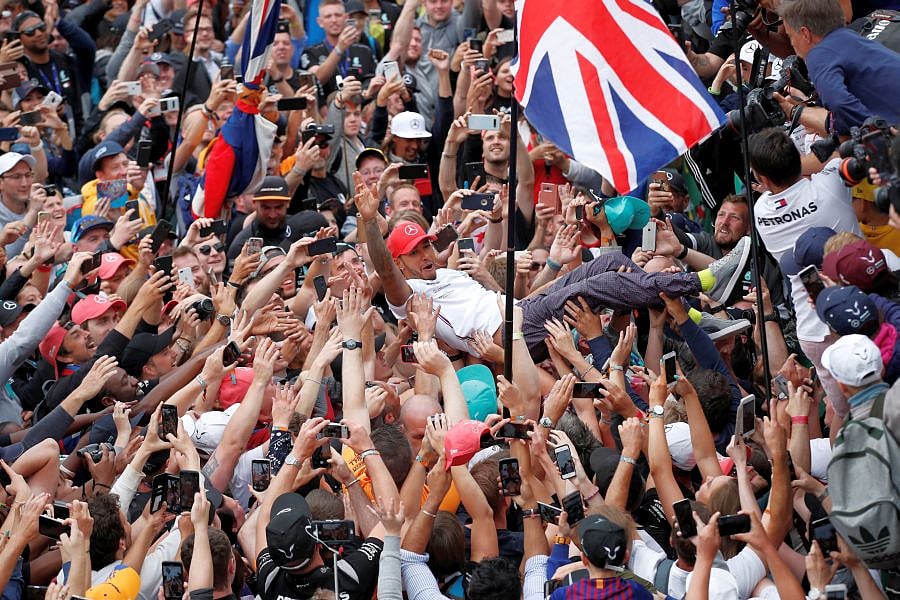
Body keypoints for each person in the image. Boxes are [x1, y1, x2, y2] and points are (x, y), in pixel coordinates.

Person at [779, 0, 900, 133]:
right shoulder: (850, 36)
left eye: (790, 36)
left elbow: (839, 104)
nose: (791, 43)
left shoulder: (818, 54)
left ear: (805, 34)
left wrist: (879, 130)